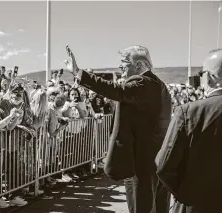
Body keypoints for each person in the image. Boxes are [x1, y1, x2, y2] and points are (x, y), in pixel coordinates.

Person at [64, 45, 172, 213]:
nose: (120, 66)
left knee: (140, 205)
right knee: (158, 206)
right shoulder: (159, 84)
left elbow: (115, 90)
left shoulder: (142, 82)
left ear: (139, 65)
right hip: (156, 157)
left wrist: (79, 73)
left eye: (124, 61)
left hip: (140, 160)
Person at [155, 49, 222, 213]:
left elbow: (164, 165)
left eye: (202, 73)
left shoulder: (189, 112)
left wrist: (185, 193)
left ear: (210, 77)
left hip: (196, 204)